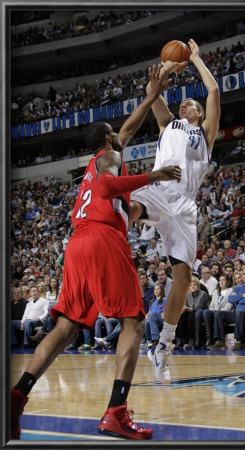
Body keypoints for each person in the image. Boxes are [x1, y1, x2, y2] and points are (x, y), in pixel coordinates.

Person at [11, 64, 182, 441]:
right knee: (134, 322)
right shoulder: (110, 159)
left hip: (76, 245)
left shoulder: (98, 157)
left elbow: (130, 128)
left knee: (67, 326)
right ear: (107, 139)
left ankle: (17, 395)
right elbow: (107, 187)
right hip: (103, 239)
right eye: (114, 133)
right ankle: (116, 412)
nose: (120, 133)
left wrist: (151, 97)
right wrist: (154, 176)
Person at [130, 39, 220, 384]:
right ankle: (100, 233)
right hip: (161, 187)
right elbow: (153, 91)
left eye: (192, 104)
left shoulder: (205, 134)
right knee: (131, 207)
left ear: (198, 114)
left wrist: (195, 59)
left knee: (182, 280)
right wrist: (167, 67)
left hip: (185, 205)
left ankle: (163, 346)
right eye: (185, 102)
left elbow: (212, 91)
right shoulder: (168, 123)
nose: (187, 104)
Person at [210, 267, 245, 350]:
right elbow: (230, 299)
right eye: (243, 274)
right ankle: (220, 340)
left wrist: (237, 298)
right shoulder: (238, 287)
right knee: (218, 313)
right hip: (237, 314)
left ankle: (239, 340)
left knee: (239, 312)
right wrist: (242, 295)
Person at [195, 274, 233, 348]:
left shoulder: (231, 291)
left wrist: (217, 312)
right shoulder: (216, 292)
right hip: (215, 312)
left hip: (225, 313)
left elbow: (229, 306)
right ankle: (204, 339)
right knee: (202, 312)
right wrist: (214, 311)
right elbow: (211, 305)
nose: (221, 282)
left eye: (223, 280)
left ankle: (214, 339)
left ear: (227, 282)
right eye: (220, 280)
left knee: (211, 313)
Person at [175, 276, 209, 350]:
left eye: (194, 285)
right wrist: (183, 309)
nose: (192, 287)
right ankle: (179, 339)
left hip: (200, 314)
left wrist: (189, 309)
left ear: (198, 285)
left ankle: (192, 339)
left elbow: (200, 307)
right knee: (180, 314)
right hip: (190, 312)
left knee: (192, 313)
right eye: (190, 285)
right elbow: (186, 305)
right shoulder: (188, 294)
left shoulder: (203, 294)